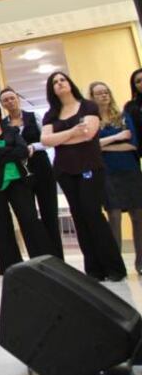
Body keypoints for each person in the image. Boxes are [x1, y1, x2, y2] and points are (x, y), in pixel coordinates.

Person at [41, 72, 126, 282]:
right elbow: (46, 141)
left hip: (89, 167)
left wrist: (61, 138)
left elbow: (88, 134)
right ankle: (94, 270)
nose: (59, 83)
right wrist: (73, 132)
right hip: (64, 170)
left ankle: (114, 267)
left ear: (70, 83)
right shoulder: (51, 114)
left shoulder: (88, 106)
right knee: (78, 216)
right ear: (52, 89)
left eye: (62, 80)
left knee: (92, 212)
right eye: (55, 82)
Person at [0, 100, 53, 272]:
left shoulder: (12, 130)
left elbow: (23, 150)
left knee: (29, 218)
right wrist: (9, 151)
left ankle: (41, 260)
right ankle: (10, 266)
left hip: (18, 180)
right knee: (1, 224)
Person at [0, 87, 64, 259]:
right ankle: (38, 257)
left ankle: (57, 257)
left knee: (49, 213)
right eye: (5, 100)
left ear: (18, 99)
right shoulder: (3, 125)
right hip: (20, 173)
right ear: (2, 104)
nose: (10, 102)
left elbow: (48, 140)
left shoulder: (34, 117)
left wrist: (33, 147)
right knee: (28, 218)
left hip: (41, 167)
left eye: (12, 98)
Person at [89, 81, 142, 275]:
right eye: (99, 93)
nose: (104, 95)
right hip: (106, 173)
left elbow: (133, 144)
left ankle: (141, 263)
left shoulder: (123, 116)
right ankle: (116, 264)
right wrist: (117, 137)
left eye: (106, 92)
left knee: (138, 216)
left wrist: (104, 145)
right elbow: (92, 146)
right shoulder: (91, 121)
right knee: (114, 216)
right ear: (92, 98)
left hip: (130, 170)